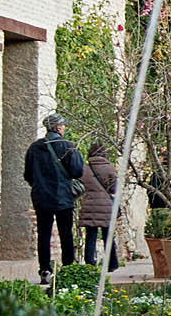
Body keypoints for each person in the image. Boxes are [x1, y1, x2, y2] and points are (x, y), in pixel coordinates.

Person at [23, 113, 83, 285]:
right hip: (63, 196)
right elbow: (78, 171)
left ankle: (45, 270)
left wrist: (40, 185)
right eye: (63, 125)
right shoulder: (68, 147)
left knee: (43, 234)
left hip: (41, 198)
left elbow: (28, 175)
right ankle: (68, 269)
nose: (64, 128)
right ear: (57, 128)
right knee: (66, 234)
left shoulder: (34, 148)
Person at [79, 143, 120, 271]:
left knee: (90, 236)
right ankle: (112, 264)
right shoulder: (110, 168)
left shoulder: (84, 169)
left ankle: (90, 264)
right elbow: (114, 188)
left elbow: (80, 186)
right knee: (108, 235)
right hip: (106, 206)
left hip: (89, 204)